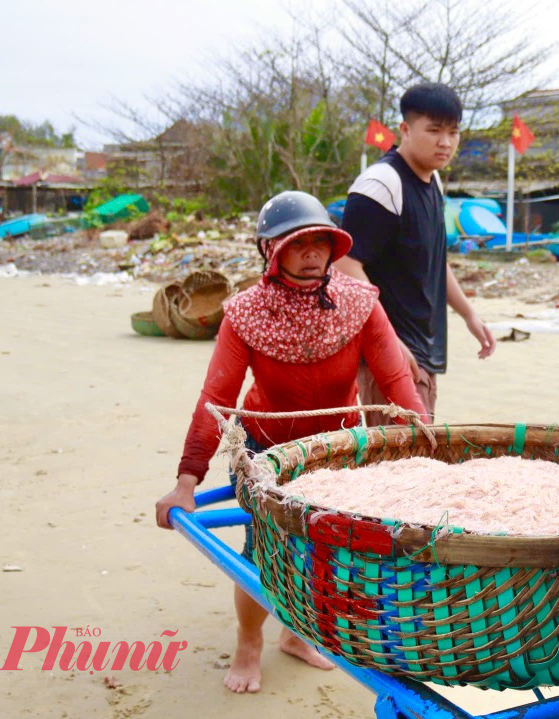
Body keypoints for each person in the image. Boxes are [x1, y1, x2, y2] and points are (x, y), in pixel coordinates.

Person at [154, 190, 426, 694]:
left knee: (329, 551)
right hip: (265, 449)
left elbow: (399, 387)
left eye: (321, 242)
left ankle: (298, 635)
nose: (311, 254)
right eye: (297, 244)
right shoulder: (243, 315)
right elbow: (216, 401)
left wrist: (429, 452)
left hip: (337, 452)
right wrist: (186, 481)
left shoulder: (360, 304)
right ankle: (249, 642)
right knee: (263, 549)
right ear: (268, 250)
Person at [335, 82, 496, 423]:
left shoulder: (432, 181)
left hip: (423, 347)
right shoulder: (382, 184)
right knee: (400, 463)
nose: (446, 142)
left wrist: (469, 314)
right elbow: (346, 263)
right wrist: (389, 341)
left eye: (454, 132)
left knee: (417, 453)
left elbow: (436, 262)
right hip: (388, 354)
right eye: (434, 130)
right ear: (405, 130)